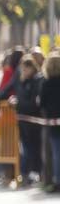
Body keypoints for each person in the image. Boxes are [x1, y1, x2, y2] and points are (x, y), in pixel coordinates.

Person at [0, 56, 44, 186]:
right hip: (22, 119)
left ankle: (33, 173)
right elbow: (5, 91)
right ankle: (26, 174)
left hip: (34, 120)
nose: (23, 72)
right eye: (22, 69)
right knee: (26, 147)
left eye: (26, 69)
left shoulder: (37, 80)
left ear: (32, 68)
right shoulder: (19, 79)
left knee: (34, 147)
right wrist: (4, 99)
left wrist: (18, 103)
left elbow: (33, 104)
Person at [40, 54, 60, 192]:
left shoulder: (46, 84)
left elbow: (41, 103)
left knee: (56, 153)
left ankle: (57, 180)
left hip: (53, 123)